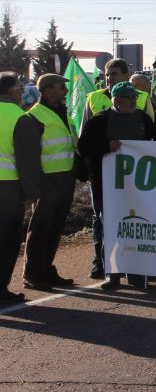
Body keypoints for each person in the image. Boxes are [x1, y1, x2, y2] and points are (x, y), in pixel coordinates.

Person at [78, 82, 156, 289]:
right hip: (106, 185)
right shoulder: (99, 121)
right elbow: (83, 146)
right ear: (117, 99)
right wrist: (106, 146)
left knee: (137, 226)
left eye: (134, 98)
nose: (133, 101)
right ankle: (112, 273)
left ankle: (137, 273)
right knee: (110, 226)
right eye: (129, 97)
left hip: (137, 186)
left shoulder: (144, 119)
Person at [22, 74, 78, 290]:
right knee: (40, 227)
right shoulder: (35, 117)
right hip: (47, 180)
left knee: (54, 227)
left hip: (65, 177)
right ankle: (33, 274)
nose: (65, 91)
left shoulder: (63, 112)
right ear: (46, 91)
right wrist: (34, 185)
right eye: (60, 87)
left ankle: (46, 269)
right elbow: (30, 154)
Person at [0, 73, 40, 303]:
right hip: (8, 189)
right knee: (6, 241)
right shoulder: (20, 118)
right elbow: (28, 161)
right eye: (20, 87)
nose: (23, 91)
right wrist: (30, 194)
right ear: (12, 91)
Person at [84, 59, 154, 130]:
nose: (109, 78)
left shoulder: (143, 97)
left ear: (126, 76)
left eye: (114, 74)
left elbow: (151, 129)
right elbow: (85, 130)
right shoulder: (93, 97)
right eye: (107, 75)